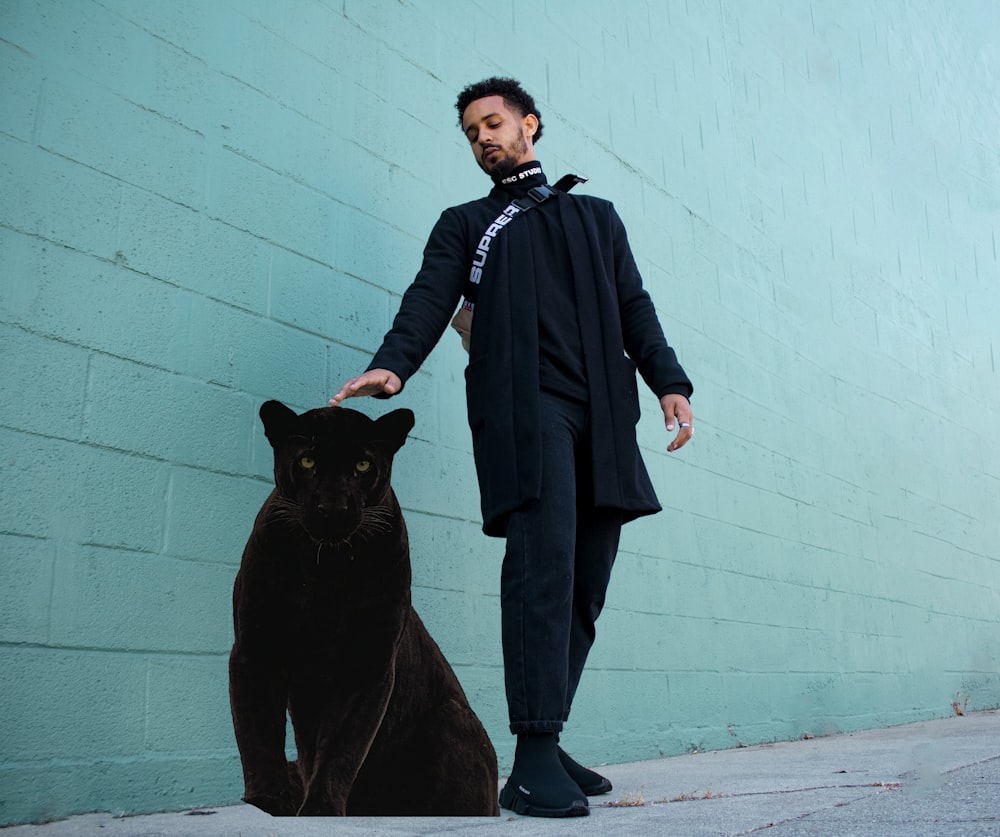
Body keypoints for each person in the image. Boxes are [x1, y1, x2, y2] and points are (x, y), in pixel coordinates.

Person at [330, 77, 693, 818]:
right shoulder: (468, 224)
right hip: (526, 413)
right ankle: (530, 758)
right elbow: (430, 296)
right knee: (542, 568)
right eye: (470, 133)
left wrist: (669, 381)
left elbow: (634, 304)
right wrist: (394, 363)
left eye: (492, 124)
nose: (482, 139)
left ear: (530, 125)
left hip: (602, 411)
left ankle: (547, 737)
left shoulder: (596, 217)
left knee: (585, 581)